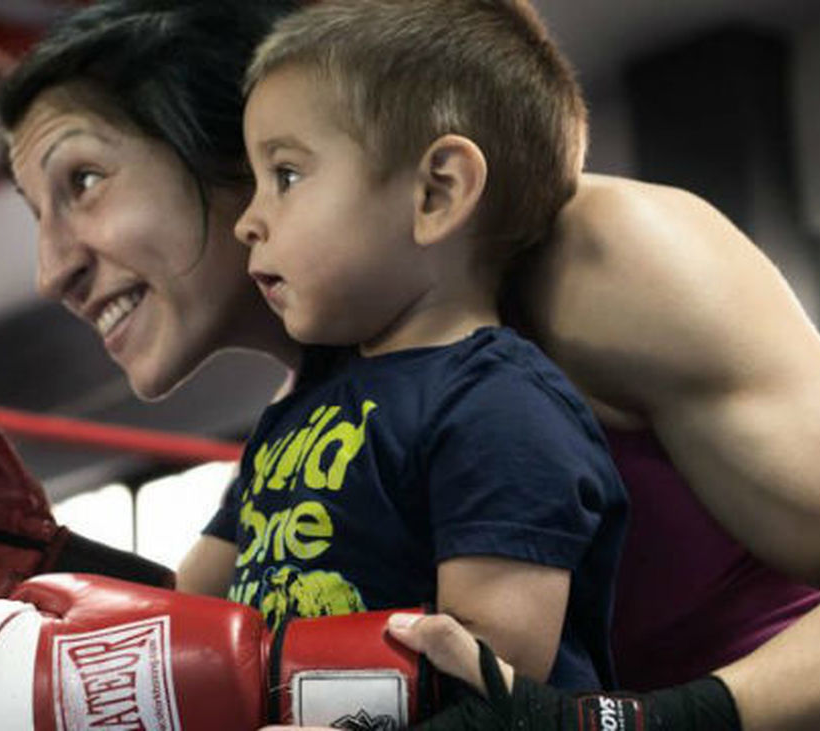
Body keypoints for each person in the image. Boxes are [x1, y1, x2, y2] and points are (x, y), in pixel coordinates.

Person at [0, 0, 820, 726]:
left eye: (85, 181)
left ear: (234, 151)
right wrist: (2, 574)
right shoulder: (324, 400)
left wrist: (623, 726)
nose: (54, 266)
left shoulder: (606, 252)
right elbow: (220, 641)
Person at [213, 0, 629, 694]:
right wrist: (49, 558)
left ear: (436, 193)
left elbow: (487, 680)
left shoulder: (498, 405)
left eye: (284, 175)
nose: (248, 222)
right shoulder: (300, 410)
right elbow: (190, 615)